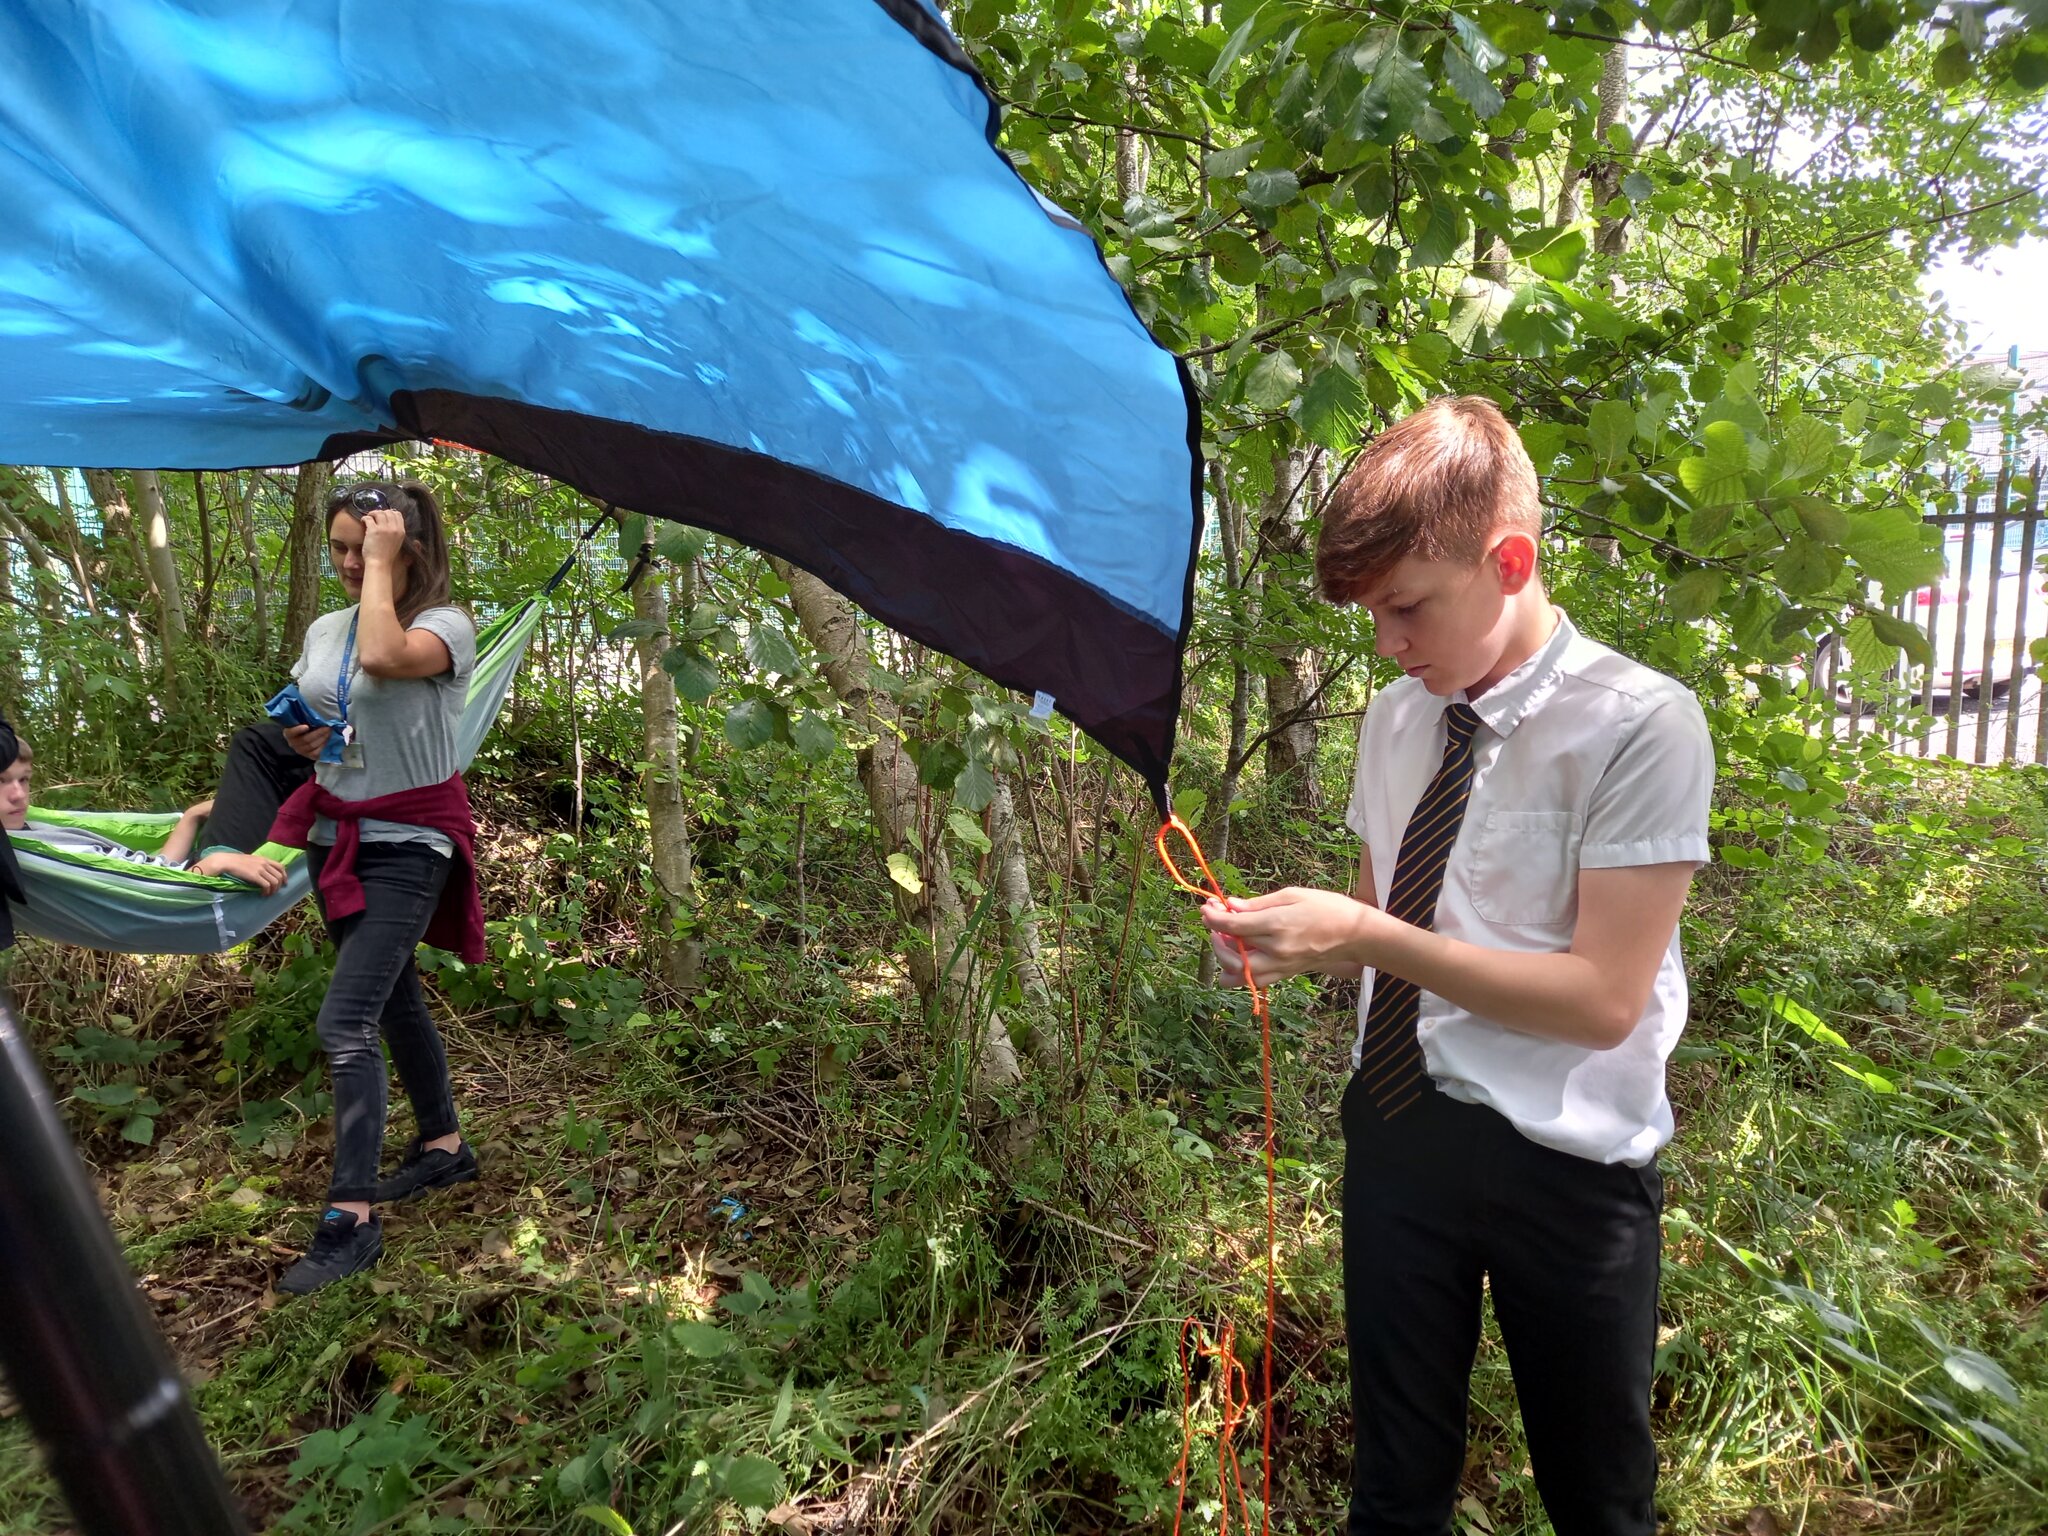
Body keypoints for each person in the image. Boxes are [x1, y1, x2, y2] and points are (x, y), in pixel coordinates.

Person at [1201, 397, 1713, 1536]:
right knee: (1392, 1488)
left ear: (1509, 560)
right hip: (1395, 1128)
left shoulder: (1640, 724)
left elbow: (1600, 1002)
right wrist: (1293, 935)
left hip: (1568, 1165)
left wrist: (1363, 937)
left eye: (1405, 608)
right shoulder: (1395, 720)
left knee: (1597, 1496)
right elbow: (1391, 918)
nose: (1387, 645)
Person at [268, 479, 486, 1297]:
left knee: (345, 1020)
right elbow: (328, 709)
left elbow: (386, 657)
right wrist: (305, 734)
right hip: (337, 836)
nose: (352, 563)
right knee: (394, 1002)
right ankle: (444, 1148)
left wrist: (386, 571)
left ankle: (350, 1219)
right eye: (340, 549)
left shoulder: (444, 625)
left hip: (411, 844)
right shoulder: (327, 626)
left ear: (409, 545)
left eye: (368, 546)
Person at [2, 737, 289, 893]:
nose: (18, 794)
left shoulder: (35, 829)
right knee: (256, 745)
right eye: (2, 781)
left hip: (204, 869)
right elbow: (159, 890)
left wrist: (190, 817)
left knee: (273, 773)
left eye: (24, 779)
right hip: (214, 883)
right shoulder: (40, 852)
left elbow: (154, 870)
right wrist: (218, 862)